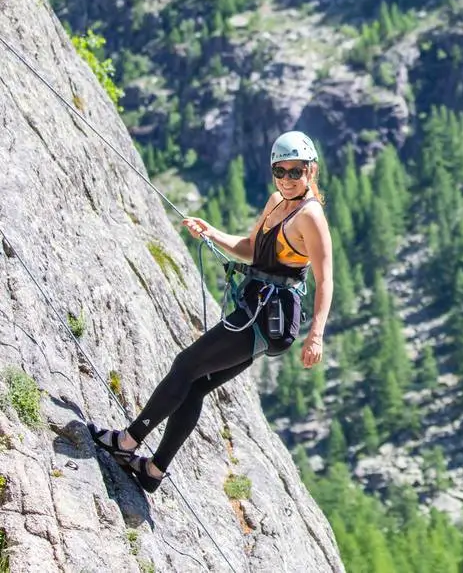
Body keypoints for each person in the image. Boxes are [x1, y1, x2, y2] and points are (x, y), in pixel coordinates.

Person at [88, 130, 334, 493]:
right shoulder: (276, 202)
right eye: (279, 171)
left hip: (269, 319)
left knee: (186, 365)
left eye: (295, 172)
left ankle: (127, 440)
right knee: (196, 385)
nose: (286, 179)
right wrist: (211, 232)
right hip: (259, 312)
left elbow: (326, 278)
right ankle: (154, 470)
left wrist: (316, 335)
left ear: (310, 171)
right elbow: (251, 249)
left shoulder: (310, 216)